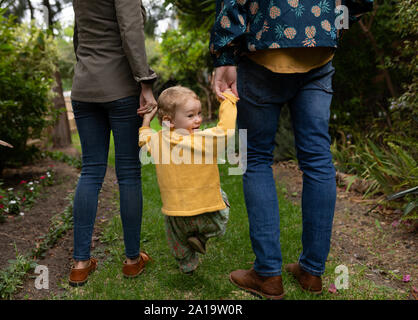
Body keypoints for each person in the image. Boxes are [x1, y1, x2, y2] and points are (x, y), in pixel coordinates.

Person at [209, 0, 373, 299]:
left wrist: (225, 54)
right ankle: (312, 272)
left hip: (263, 47)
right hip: (318, 52)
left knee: (255, 158)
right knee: (317, 159)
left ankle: (268, 275)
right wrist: (331, 28)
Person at [68, 0, 157, 287]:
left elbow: (78, 35)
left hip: (84, 87)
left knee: (91, 170)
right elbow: (130, 30)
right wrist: (145, 81)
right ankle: (132, 260)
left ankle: (80, 264)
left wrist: (87, 68)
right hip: (119, 88)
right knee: (129, 173)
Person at [138, 86, 237, 274]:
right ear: (170, 121)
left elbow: (144, 137)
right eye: (191, 116)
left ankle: (187, 265)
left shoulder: (159, 140)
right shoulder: (203, 139)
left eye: (199, 114)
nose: (198, 119)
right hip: (206, 206)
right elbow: (227, 130)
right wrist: (228, 101)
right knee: (222, 208)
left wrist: (146, 119)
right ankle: (203, 236)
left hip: (174, 210)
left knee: (177, 239)